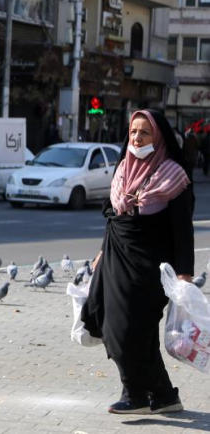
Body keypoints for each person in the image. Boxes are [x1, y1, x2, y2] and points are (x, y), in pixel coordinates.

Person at [81, 109, 194, 415]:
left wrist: (184, 274)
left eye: (144, 132)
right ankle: (162, 395)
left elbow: (182, 228)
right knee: (112, 324)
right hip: (116, 257)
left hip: (150, 266)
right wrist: (102, 251)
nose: (137, 138)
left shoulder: (172, 175)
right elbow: (113, 217)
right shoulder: (123, 169)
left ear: (158, 137)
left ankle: (135, 394)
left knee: (129, 330)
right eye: (133, 132)